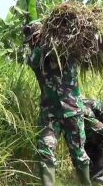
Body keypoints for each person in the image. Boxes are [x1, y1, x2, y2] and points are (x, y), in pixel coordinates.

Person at [23, 22, 92, 186]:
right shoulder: (36, 57)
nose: (32, 43)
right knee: (45, 151)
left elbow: (84, 50)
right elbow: (32, 60)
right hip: (50, 114)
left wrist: (56, 37)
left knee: (79, 154)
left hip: (73, 111)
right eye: (31, 41)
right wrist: (45, 42)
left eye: (35, 39)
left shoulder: (69, 50)